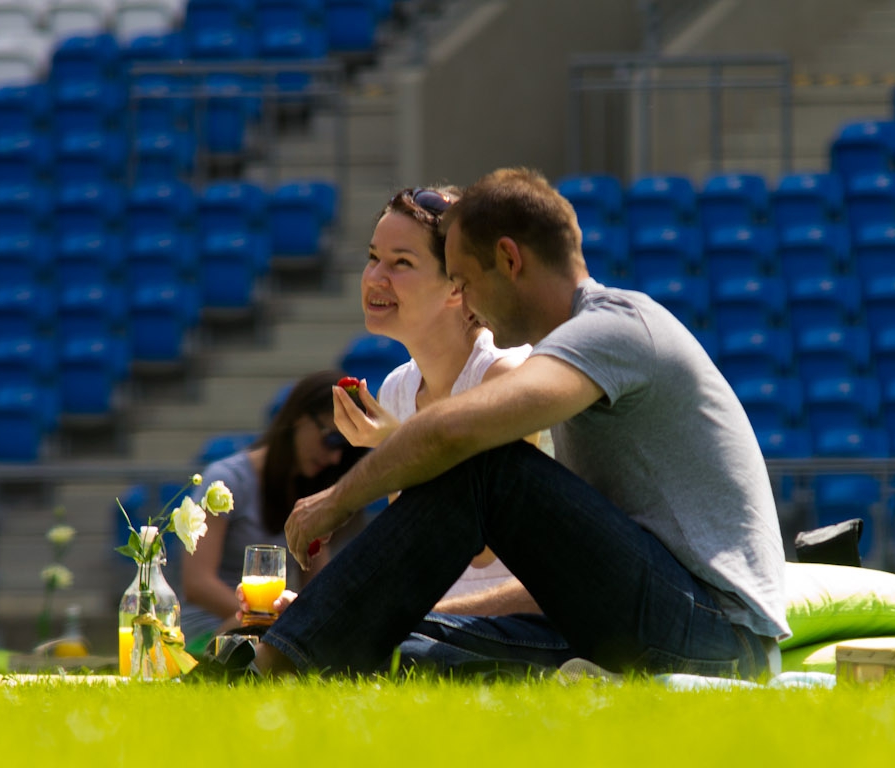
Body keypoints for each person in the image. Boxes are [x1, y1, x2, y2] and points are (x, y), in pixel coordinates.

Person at [248, 167, 790, 679]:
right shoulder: (579, 338)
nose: (469, 306)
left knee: (489, 461)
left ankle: (277, 662)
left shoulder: (617, 325)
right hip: (646, 616)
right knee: (397, 646)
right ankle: (281, 654)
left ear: (509, 260)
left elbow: (458, 434)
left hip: (719, 634)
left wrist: (335, 500)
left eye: (465, 280)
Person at [332, 184, 538, 608]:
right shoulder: (398, 388)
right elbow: (415, 554)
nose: (375, 278)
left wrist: (397, 445)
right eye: (373, 258)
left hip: (516, 623)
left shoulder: (505, 375)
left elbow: (479, 547)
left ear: (457, 288)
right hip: (439, 621)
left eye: (401, 262)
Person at [180, 370, 363, 651]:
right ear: (300, 418)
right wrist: (264, 620)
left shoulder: (309, 493)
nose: (334, 457)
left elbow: (317, 590)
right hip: (207, 633)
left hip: (270, 631)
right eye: (331, 440)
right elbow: (198, 583)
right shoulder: (226, 481)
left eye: (345, 452)